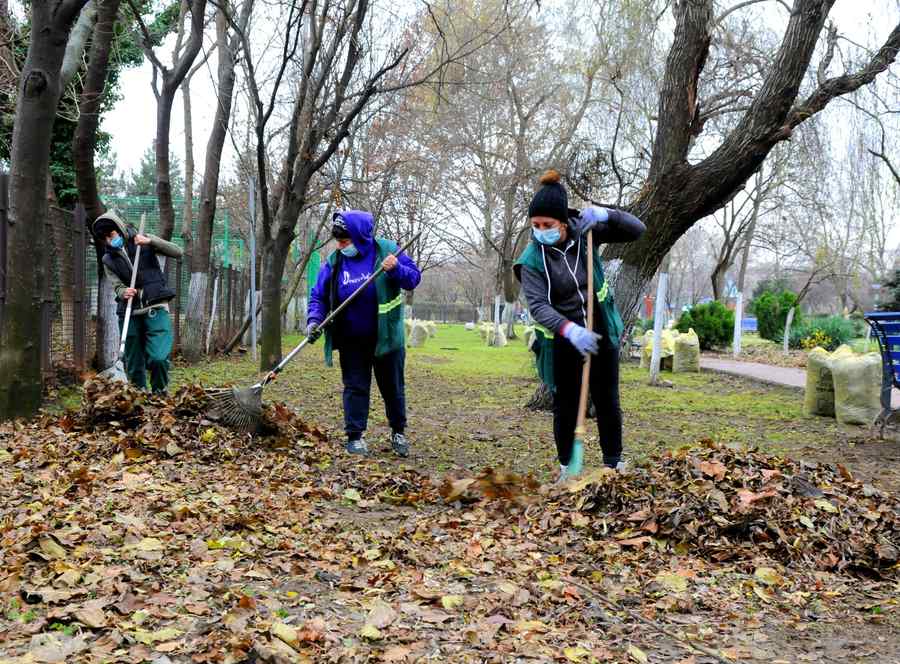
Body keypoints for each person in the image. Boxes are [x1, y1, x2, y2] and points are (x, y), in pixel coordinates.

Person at [514, 170, 646, 482]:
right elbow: (538, 306)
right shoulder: (532, 259)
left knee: (607, 400)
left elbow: (637, 230)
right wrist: (571, 331)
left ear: (563, 221)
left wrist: (607, 214)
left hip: (601, 330)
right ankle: (566, 468)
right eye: (535, 226)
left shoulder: (587, 232)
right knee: (567, 405)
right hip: (564, 339)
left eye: (548, 225)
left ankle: (614, 464)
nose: (541, 231)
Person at [306, 210, 421, 457]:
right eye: (338, 241)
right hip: (351, 340)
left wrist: (396, 269)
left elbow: (413, 279)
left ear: (359, 237)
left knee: (393, 388)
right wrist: (314, 320)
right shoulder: (336, 261)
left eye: (345, 241)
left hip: (386, 337)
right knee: (355, 387)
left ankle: (398, 431)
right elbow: (318, 294)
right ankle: (355, 437)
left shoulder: (387, 249)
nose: (341, 246)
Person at [93, 211, 183, 394]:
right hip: (129, 312)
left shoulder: (144, 240)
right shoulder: (108, 259)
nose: (110, 241)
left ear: (119, 229)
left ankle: (159, 394)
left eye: (111, 235)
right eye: (105, 239)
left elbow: (177, 251)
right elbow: (116, 285)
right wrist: (123, 291)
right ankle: (139, 395)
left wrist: (151, 241)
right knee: (133, 363)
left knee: (158, 357)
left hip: (155, 305)